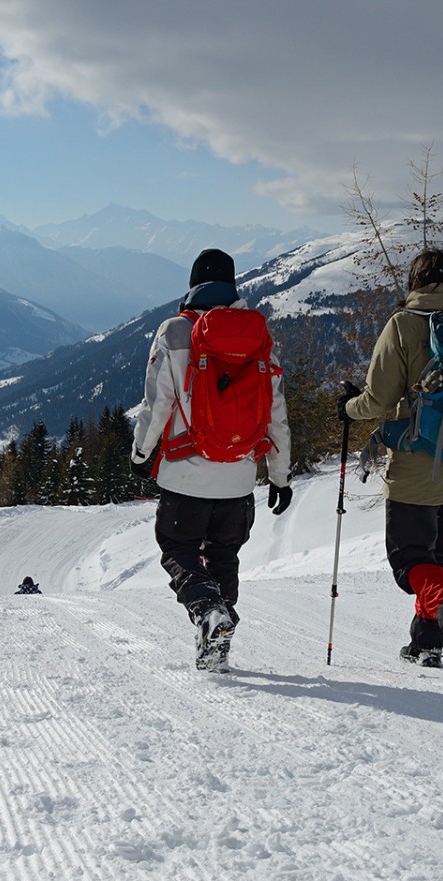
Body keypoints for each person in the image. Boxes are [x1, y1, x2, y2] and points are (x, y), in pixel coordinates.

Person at [129, 249, 292, 671]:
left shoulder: (176, 331)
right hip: (239, 478)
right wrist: (280, 476)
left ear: (193, 283)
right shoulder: (258, 336)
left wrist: (141, 454)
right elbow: (276, 414)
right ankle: (217, 634)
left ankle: (208, 613)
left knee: (178, 548)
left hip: (186, 475)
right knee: (224, 556)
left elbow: (157, 404)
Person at [340, 247, 443, 681]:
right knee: (438, 559)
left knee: (411, 562)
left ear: (417, 283)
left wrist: (346, 408)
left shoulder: (406, 324)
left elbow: (377, 401)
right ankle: (426, 645)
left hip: (419, 460)